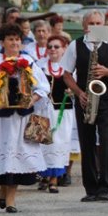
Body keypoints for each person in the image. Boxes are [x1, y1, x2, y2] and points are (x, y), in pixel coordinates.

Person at [0, 23, 50, 213]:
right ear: (2, 42)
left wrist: (33, 99)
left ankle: (12, 199)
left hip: (22, 117)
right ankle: (3, 188)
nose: (14, 43)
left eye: (17, 39)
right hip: (2, 120)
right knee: (6, 155)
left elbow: (43, 87)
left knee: (19, 157)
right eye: (10, 39)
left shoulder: (28, 62)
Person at [62, 10, 108, 202]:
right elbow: (66, 74)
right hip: (85, 99)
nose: (97, 27)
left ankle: (105, 188)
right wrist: (79, 93)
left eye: (100, 24)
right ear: (85, 27)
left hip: (107, 98)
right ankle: (90, 189)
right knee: (87, 142)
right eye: (93, 24)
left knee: (106, 141)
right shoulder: (75, 45)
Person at [36, 35, 74, 194]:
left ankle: (54, 180)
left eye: (56, 47)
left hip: (63, 112)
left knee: (58, 144)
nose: (52, 49)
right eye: (50, 46)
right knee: (43, 143)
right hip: (43, 110)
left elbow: (79, 86)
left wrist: (72, 91)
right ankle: (44, 176)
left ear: (64, 49)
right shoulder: (40, 66)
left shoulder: (70, 68)